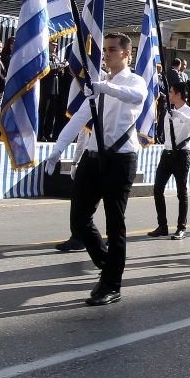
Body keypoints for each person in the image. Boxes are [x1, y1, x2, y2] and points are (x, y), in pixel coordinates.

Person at [42, 32, 148, 306]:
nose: (106, 54)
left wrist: (104, 89)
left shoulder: (134, 81)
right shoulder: (98, 84)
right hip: (92, 157)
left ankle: (112, 284)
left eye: (112, 49)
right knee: (79, 219)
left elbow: (135, 97)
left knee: (115, 224)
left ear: (127, 54)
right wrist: (57, 150)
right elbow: (79, 119)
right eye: (104, 50)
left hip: (120, 159)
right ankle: (107, 263)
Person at [148, 82, 190, 240]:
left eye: (172, 91)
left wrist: (179, 116)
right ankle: (162, 225)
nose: (169, 94)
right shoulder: (169, 111)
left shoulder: (189, 111)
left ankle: (181, 227)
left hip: (181, 154)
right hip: (167, 154)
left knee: (181, 191)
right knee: (158, 188)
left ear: (179, 95)